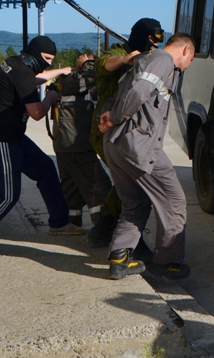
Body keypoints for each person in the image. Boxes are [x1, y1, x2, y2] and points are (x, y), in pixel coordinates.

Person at [0, 36, 86, 256]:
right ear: (36, 54)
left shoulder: (14, 64)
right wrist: (52, 96)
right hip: (2, 140)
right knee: (8, 195)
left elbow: (37, 78)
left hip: (11, 136)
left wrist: (62, 70)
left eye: (51, 60)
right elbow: (36, 112)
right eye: (46, 58)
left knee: (45, 168)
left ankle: (59, 223)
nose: (47, 63)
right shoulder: (22, 73)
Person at [98, 33, 195, 280]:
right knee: (174, 200)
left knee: (135, 203)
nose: (188, 66)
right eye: (191, 59)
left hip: (116, 144)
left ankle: (119, 257)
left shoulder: (146, 59)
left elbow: (120, 90)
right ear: (186, 51)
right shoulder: (163, 60)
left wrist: (109, 112)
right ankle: (168, 263)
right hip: (138, 144)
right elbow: (139, 91)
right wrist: (117, 117)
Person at [91, 18, 165, 259]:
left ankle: (105, 227)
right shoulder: (117, 53)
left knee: (129, 184)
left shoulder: (150, 57)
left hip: (129, 130)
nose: (151, 46)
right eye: (150, 40)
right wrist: (127, 59)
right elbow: (103, 65)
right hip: (105, 128)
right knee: (133, 185)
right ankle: (128, 240)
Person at [51, 53, 116, 247]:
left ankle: (70, 225)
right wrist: (88, 64)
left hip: (69, 144)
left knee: (72, 189)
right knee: (99, 186)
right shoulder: (71, 80)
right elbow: (92, 77)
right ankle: (103, 232)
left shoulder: (76, 83)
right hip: (75, 145)